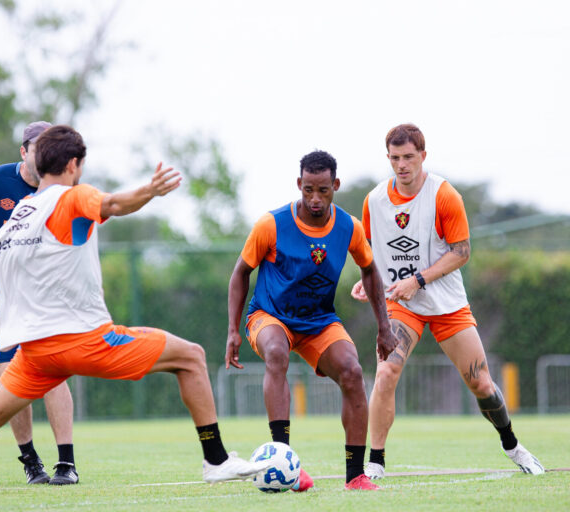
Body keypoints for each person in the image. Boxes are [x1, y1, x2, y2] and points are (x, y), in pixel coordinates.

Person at [0, 125, 270, 511]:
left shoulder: (12, 224)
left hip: (33, 354)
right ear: (72, 164)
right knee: (192, 356)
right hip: (84, 343)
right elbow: (115, 205)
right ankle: (216, 460)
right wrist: (150, 191)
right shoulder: (72, 197)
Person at [351, 123, 545, 478]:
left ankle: (513, 447)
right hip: (402, 306)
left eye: (409, 157)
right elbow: (371, 252)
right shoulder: (374, 200)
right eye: (395, 158)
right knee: (386, 372)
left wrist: (419, 279)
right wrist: (368, 281)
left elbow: (462, 252)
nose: (402, 165)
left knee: (481, 383)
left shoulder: (444, 195)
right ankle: (375, 464)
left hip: (447, 305)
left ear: (423, 156)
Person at [225, 150, 399, 492]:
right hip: (269, 316)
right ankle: (283, 462)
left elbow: (370, 271)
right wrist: (233, 330)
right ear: (298, 184)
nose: (315, 198)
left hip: (318, 321)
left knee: (352, 371)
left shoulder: (349, 227)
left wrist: (384, 326)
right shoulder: (271, 224)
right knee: (276, 352)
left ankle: (355, 476)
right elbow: (240, 273)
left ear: (335, 185)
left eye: (322, 190)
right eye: (308, 190)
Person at [0, 121, 78, 486]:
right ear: (24, 151)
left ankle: (66, 464)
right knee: (11, 376)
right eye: (39, 149)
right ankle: (30, 461)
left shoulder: (62, 189)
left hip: (43, 297)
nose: (46, 156)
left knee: (53, 372)